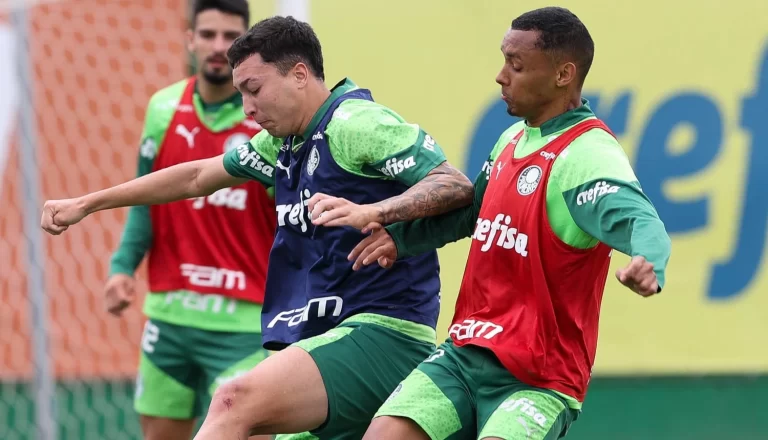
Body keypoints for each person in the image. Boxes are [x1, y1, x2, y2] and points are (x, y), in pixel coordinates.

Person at [40, 16, 474, 440]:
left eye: (254, 89)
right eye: (240, 94)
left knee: (233, 401)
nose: (247, 108)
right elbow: (194, 178)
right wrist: (87, 202)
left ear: (300, 74)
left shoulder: (355, 123)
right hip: (325, 340)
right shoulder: (281, 144)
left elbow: (454, 184)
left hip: (385, 333)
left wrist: (376, 211)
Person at [348, 7, 672, 440]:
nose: (501, 76)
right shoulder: (513, 139)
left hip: (538, 380)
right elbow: (472, 211)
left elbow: (639, 217)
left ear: (563, 75)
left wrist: (649, 260)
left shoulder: (589, 154)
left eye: (516, 65)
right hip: (462, 357)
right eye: (503, 60)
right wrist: (400, 238)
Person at [102, 1, 275, 439]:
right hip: (170, 317)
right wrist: (123, 268)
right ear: (190, 40)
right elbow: (146, 203)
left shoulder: (268, 118)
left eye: (230, 37)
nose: (219, 47)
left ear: (247, 43)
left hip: (245, 324)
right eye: (208, 35)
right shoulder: (163, 108)